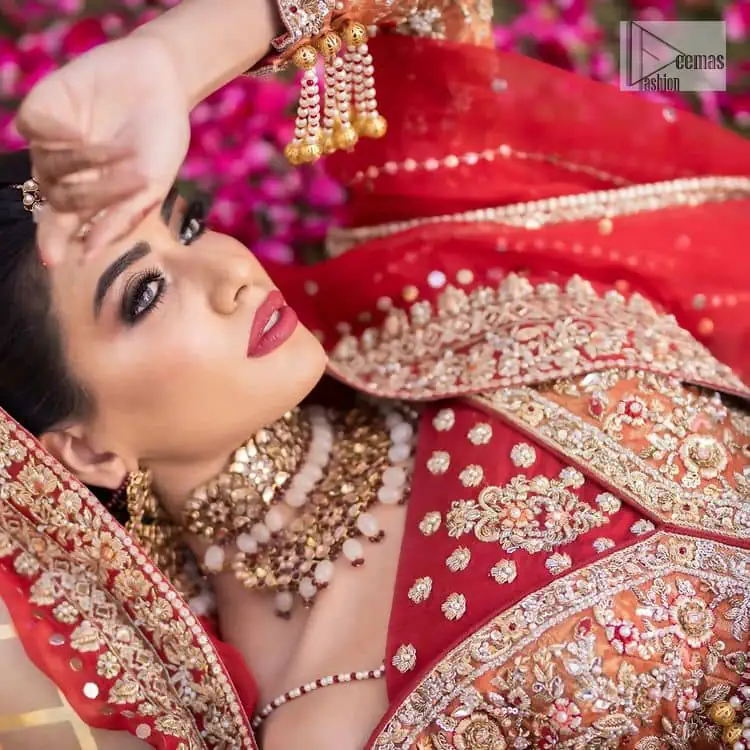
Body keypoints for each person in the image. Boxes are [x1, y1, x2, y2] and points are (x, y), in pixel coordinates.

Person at [2, 0, 750, 748]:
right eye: (144, 294)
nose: (230, 275)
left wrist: (176, 54)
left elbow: (449, 16)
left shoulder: (438, 296)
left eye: (189, 226)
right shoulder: (315, 732)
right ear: (85, 451)